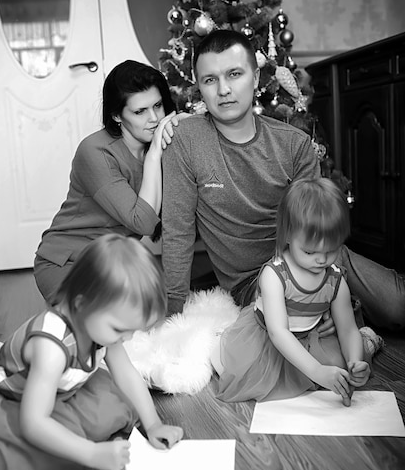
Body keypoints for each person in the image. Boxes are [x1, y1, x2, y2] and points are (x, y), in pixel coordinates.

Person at [161, 29, 405, 331]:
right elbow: (177, 234)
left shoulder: (294, 144)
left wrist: (324, 294)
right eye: (210, 80)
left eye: (234, 74)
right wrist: (171, 321)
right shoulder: (185, 141)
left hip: (319, 255)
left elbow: (316, 227)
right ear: (199, 86)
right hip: (253, 281)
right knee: (302, 332)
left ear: (255, 77)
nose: (223, 89)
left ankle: (350, 318)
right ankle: (356, 330)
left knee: (397, 306)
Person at [0, 234, 183, 470]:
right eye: (119, 330)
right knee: (44, 455)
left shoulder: (98, 323)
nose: (127, 338)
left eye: (133, 331)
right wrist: (92, 454)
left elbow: (126, 374)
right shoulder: (51, 348)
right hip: (16, 399)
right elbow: (33, 421)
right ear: (81, 304)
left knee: (120, 404)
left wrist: (154, 424)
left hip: (62, 389)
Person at [212, 178, 381, 403]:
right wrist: (317, 371)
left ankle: (366, 342)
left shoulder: (335, 279)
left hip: (311, 337)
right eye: (310, 252)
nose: (321, 259)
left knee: (342, 368)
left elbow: (347, 329)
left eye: (331, 250)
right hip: (269, 340)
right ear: (288, 236)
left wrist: (355, 360)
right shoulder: (274, 275)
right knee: (227, 366)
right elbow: (278, 333)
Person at [34, 59, 183, 304]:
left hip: (114, 263)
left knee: (137, 331)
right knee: (90, 336)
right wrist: (155, 153)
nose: (155, 118)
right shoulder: (95, 152)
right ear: (116, 115)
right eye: (139, 111)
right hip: (69, 263)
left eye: (158, 105)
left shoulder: (163, 141)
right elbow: (143, 223)